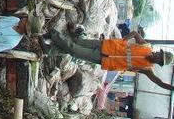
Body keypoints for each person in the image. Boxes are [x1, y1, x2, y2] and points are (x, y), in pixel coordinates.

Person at [46, 29, 174, 92]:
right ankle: (49, 49)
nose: (157, 55)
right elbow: (135, 33)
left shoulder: (147, 70)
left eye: (159, 58)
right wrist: (123, 40)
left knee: (74, 50)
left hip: (103, 59)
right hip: (105, 45)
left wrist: (172, 88)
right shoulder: (146, 46)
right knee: (75, 42)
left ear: (158, 62)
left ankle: (53, 34)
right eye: (159, 53)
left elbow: (159, 82)